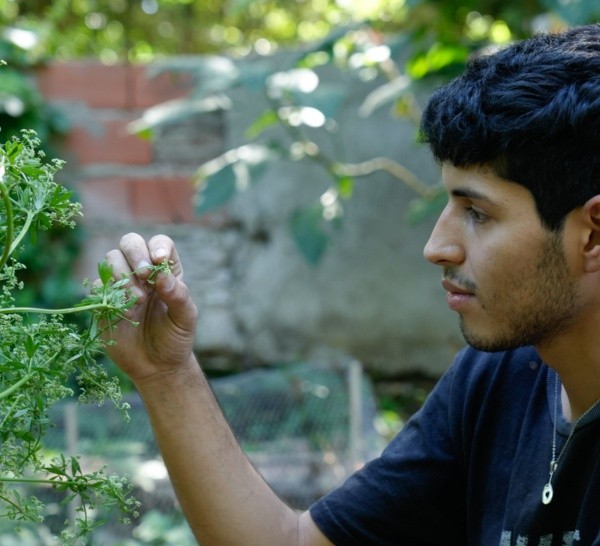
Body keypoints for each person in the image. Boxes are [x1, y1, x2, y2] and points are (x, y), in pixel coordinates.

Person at [102, 23, 600, 546]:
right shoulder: (495, 379)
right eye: (448, 204)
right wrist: (165, 372)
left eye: (477, 212)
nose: (437, 247)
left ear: (591, 235)